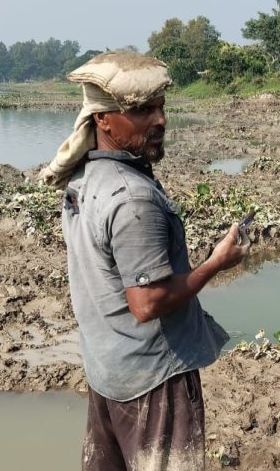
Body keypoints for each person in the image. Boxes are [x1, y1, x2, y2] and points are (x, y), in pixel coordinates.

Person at [41, 51, 247, 471]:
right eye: (142, 110)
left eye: (161, 107)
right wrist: (215, 263)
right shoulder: (134, 199)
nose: (160, 121)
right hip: (155, 380)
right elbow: (147, 303)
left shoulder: (83, 179)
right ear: (103, 119)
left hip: (109, 371)